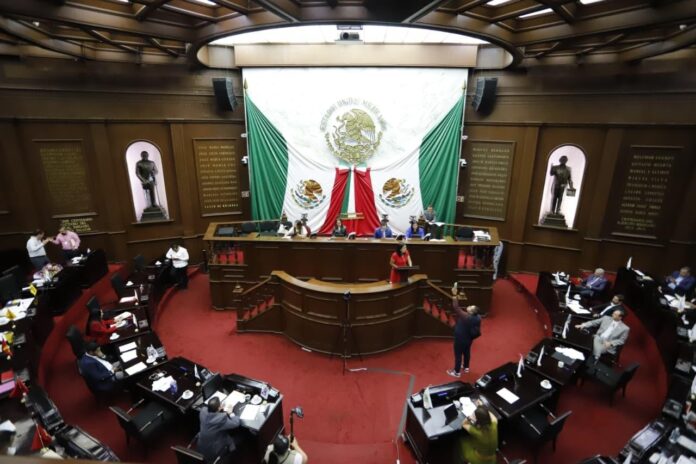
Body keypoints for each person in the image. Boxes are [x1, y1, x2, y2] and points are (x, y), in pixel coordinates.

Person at [447, 285, 481, 377]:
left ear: (471, 312)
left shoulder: (466, 317)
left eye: (471, 307)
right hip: (469, 339)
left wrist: (454, 294)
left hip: (460, 339)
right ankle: (466, 367)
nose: (469, 306)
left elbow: (456, 307)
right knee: (466, 352)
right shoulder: (478, 317)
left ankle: (456, 372)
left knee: (458, 355)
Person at [198, 396, 242, 464]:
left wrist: (219, 409)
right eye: (220, 404)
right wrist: (231, 413)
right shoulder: (221, 419)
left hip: (202, 446)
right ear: (219, 407)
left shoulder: (203, 411)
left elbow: (212, 414)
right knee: (241, 436)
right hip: (215, 450)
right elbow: (236, 423)